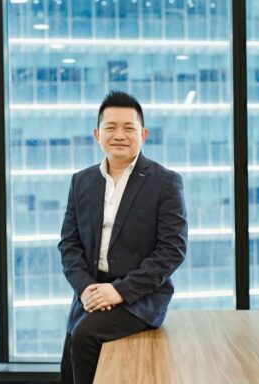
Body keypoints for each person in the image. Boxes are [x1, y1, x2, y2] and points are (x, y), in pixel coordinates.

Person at [58, 91, 188, 384]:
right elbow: (69, 244)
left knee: (85, 337)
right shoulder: (81, 181)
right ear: (97, 134)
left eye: (129, 128)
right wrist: (85, 288)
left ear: (143, 134)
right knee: (68, 365)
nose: (119, 135)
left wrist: (119, 291)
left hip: (140, 296)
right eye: (110, 127)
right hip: (92, 291)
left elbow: (172, 250)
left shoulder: (165, 182)